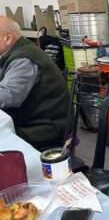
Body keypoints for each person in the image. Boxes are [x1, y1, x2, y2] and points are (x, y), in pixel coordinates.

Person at [0, 16, 70, 150]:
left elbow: (8, 95)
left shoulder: (23, 59)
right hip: (33, 121)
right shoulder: (14, 53)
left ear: (7, 38)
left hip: (43, 128)